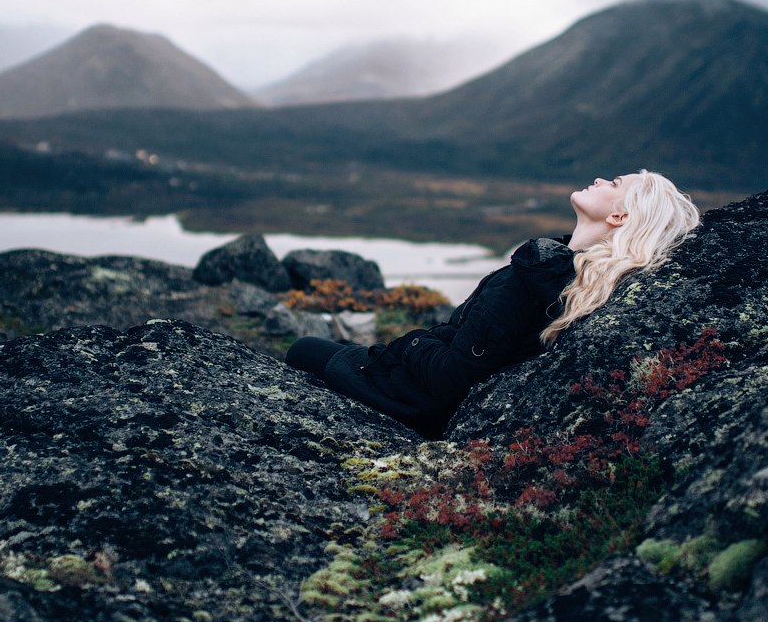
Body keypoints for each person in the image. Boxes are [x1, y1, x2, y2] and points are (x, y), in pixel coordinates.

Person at [286, 170, 700, 438]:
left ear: (618, 218)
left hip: (414, 399)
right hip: (424, 389)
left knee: (303, 349)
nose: (600, 180)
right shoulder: (571, 278)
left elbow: (452, 379)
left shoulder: (531, 281)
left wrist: (412, 343)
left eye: (614, 184)